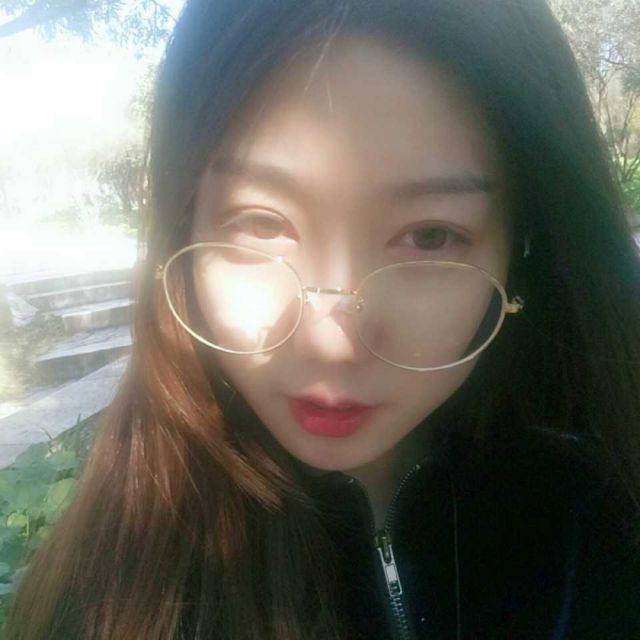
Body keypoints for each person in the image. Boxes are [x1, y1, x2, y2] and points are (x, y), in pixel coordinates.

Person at [4, 0, 640, 638]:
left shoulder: (606, 522)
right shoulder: (106, 592)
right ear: (184, 227)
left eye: (429, 236)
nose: (330, 341)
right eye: (260, 224)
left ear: (523, 248)